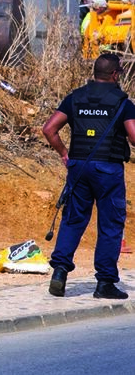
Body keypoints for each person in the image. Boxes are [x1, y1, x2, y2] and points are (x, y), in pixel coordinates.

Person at [42, 52, 135, 300]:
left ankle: (60, 273)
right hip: (108, 171)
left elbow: (49, 129)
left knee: (72, 220)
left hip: (79, 169)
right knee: (110, 225)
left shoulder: (75, 98)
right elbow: (134, 137)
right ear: (115, 75)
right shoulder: (123, 103)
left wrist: (65, 154)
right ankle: (104, 283)